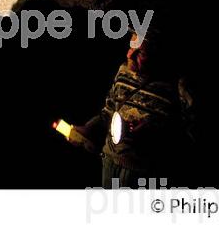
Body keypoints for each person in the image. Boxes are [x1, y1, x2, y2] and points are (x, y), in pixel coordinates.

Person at [73, 29, 194, 188]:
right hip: (110, 162)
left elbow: (189, 137)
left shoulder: (177, 87)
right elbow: (108, 112)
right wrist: (88, 128)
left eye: (141, 52)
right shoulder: (123, 71)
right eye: (131, 46)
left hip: (145, 173)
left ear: (159, 55)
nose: (130, 55)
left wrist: (155, 134)